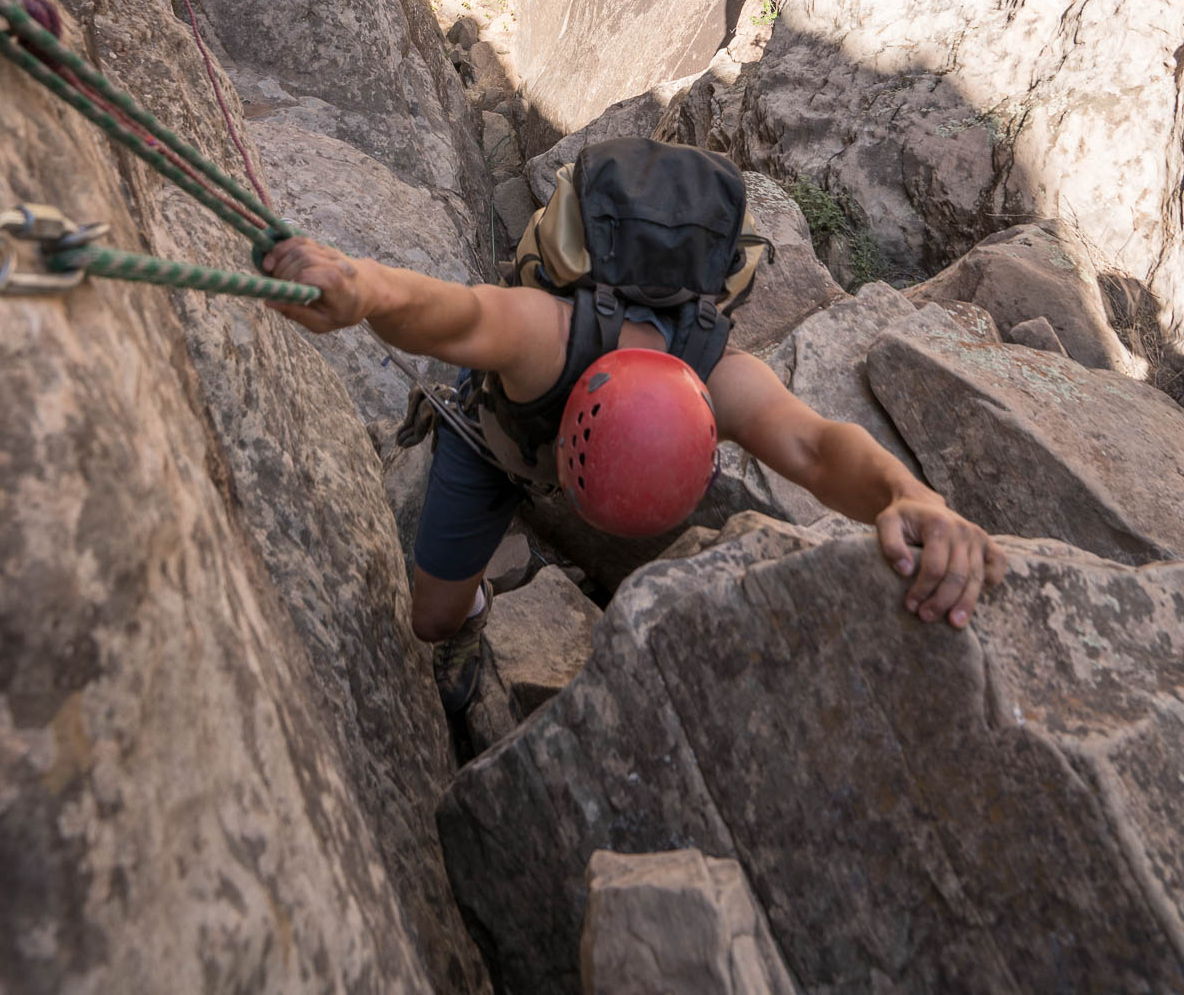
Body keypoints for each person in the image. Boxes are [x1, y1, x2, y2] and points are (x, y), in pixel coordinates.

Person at [263, 224, 1009, 714]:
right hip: (498, 437)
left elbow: (816, 447)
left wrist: (910, 495)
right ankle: (476, 605)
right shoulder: (541, 340)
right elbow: (453, 313)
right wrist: (361, 287)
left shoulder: (717, 379)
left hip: (552, 431)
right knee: (433, 620)